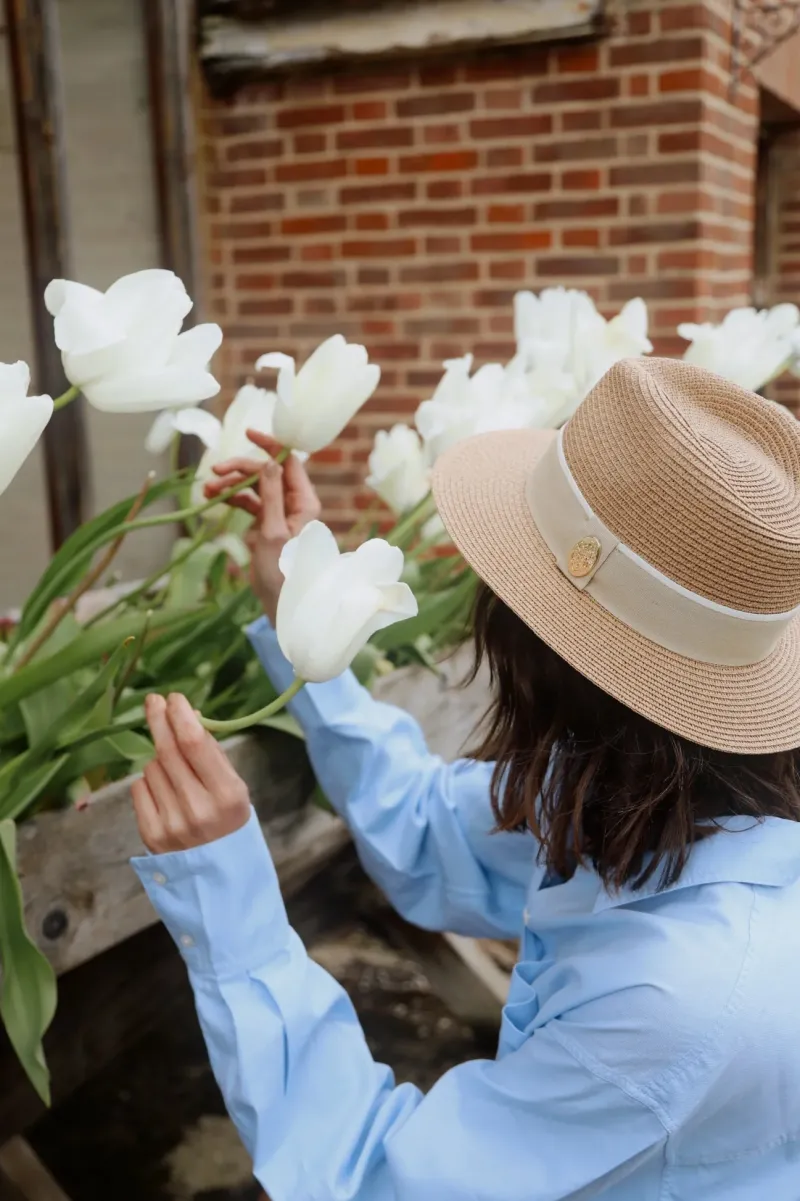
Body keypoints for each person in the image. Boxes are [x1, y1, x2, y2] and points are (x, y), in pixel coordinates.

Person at [130, 357, 800, 1200]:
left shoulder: (683, 1002)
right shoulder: (671, 797)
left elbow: (378, 1177)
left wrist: (229, 905)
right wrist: (306, 604)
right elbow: (429, 831)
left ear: (539, 662)